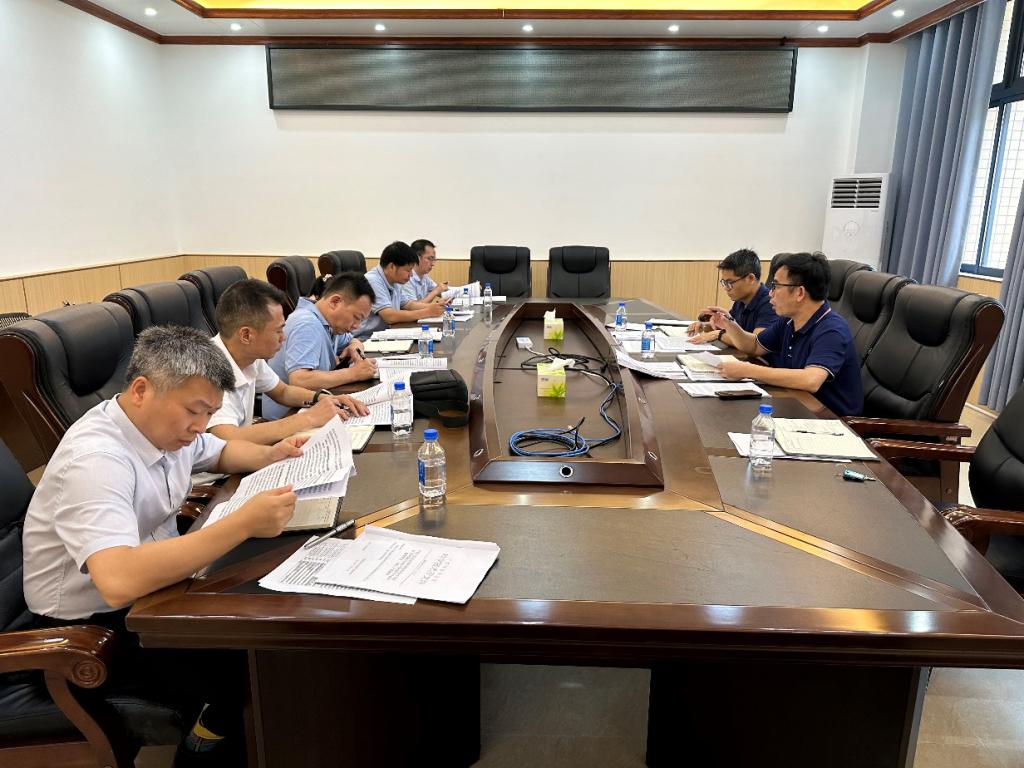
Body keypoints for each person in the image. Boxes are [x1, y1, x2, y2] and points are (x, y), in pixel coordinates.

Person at [22, 325, 307, 765]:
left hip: (151, 594)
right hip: (90, 630)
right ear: (141, 390)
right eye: (194, 411)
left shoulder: (161, 427)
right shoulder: (96, 460)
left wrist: (273, 455)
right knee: (251, 669)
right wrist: (242, 524)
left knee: (267, 631)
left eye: (209, 412)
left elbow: (217, 451)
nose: (200, 426)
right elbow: (118, 580)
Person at [207, 279, 368, 443]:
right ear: (246, 335)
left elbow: (282, 392)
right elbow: (228, 438)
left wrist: (323, 398)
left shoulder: (248, 355)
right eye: (278, 331)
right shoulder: (209, 370)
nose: (283, 338)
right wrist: (309, 418)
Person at [708, 252, 864, 416]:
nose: (770, 293)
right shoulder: (789, 321)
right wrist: (729, 324)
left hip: (830, 419)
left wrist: (747, 370)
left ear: (800, 293)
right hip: (795, 403)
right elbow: (754, 346)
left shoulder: (832, 329)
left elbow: (811, 380)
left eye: (776, 286)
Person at [263, 272, 378, 421]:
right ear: (335, 302)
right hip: (288, 416)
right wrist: (354, 373)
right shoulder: (306, 324)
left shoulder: (328, 322)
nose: (356, 326)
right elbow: (300, 380)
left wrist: (355, 347)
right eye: (356, 318)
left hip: (314, 406)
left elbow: (353, 340)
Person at [688, 248, 777, 349]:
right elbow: (731, 330)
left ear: (750, 278)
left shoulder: (770, 303)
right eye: (724, 283)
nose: (726, 288)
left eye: (729, 283)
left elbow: (757, 343)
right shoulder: (740, 300)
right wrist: (705, 326)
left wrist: (718, 334)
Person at [356, 241, 445, 340]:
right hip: (365, 339)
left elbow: (409, 305)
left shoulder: (395, 280)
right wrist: (428, 312)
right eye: (408, 270)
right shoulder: (372, 280)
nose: (411, 274)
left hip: (385, 334)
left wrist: (436, 307)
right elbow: (389, 316)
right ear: (392, 266)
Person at [403, 238, 449, 304]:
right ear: (416, 258)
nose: (433, 264)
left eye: (434, 260)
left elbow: (440, 290)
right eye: (430, 259)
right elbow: (413, 307)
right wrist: (436, 291)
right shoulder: (406, 278)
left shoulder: (424, 276)